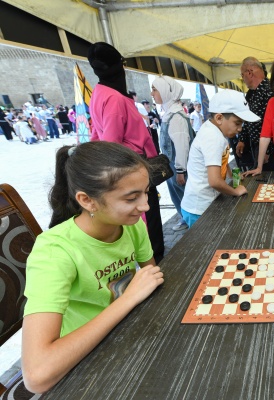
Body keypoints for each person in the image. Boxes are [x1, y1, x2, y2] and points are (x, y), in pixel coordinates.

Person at [21, 141, 164, 393]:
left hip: (127, 333)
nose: (145, 206)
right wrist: (127, 299)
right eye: (132, 198)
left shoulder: (131, 224)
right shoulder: (55, 252)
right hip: (83, 361)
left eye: (146, 192)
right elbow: (36, 376)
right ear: (87, 200)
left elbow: (151, 276)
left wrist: (133, 297)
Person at [87, 41, 165, 262]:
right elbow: (111, 143)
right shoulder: (115, 98)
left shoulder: (100, 92)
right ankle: (154, 264)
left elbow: (97, 134)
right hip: (131, 170)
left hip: (131, 168)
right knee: (147, 219)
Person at [180, 90, 258, 227]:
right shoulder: (213, 138)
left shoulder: (213, 130)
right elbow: (214, 181)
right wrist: (235, 191)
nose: (240, 129)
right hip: (199, 208)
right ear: (219, 118)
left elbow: (220, 160)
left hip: (201, 204)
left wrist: (233, 176)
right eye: (237, 123)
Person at [151, 75, 195, 232]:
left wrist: (180, 171)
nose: (152, 94)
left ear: (165, 91)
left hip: (179, 166)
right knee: (178, 196)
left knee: (186, 196)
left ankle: (193, 222)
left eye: (155, 89)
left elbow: (182, 146)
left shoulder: (176, 116)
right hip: (172, 165)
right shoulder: (170, 113)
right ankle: (185, 218)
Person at [235, 56, 274, 171]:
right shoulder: (250, 94)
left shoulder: (270, 91)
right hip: (255, 145)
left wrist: (267, 151)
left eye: (242, 75)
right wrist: (242, 139)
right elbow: (248, 119)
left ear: (249, 73)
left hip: (268, 148)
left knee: (266, 177)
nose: (242, 78)